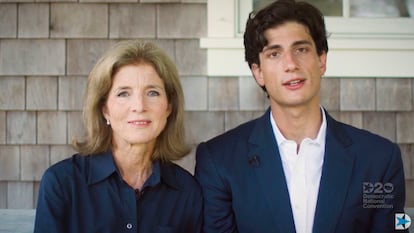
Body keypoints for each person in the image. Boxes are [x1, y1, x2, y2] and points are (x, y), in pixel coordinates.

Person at [195, 0, 407, 232]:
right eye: (274, 54)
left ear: (322, 60)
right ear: (258, 72)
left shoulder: (378, 160)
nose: (290, 64)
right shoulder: (219, 161)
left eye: (301, 50)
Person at [34, 40, 202, 233]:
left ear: (169, 107)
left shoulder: (187, 191)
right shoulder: (62, 183)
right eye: (123, 94)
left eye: (153, 93)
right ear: (104, 109)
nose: (139, 106)